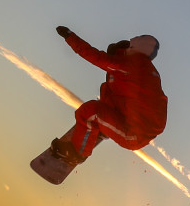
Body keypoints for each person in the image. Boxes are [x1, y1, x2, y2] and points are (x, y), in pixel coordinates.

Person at [49, 26, 168, 165]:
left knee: (90, 112)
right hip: (136, 123)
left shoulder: (129, 65)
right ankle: (104, 127)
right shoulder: (145, 68)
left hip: (133, 134)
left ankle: (76, 153)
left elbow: (96, 57)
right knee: (107, 89)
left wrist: (70, 37)